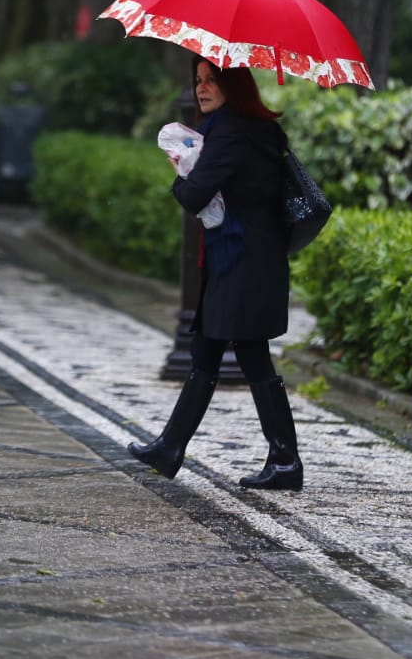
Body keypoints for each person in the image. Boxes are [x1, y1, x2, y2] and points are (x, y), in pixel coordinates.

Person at [128, 57, 304, 491]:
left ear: (233, 85)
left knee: (249, 354)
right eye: (199, 80)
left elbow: (193, 196)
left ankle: (286, 460)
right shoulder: (254, 129)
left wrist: (180, 168)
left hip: (242, 262)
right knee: (208, 350)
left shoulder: (229, 134)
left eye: (212, 80)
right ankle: (171, 447)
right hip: (248, 260)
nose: (202, 88)